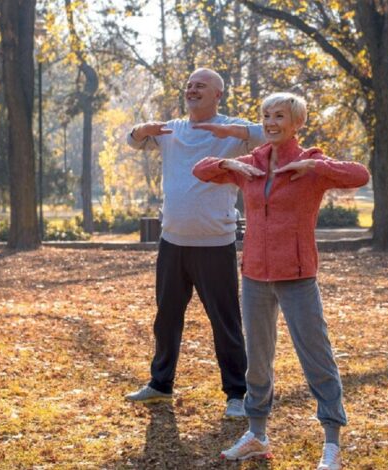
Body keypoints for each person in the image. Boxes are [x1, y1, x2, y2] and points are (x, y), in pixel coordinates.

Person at [193, 92, 370, 469]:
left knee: (317, 358)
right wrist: (229, 163)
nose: (271, 122)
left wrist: (315, 169)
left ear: (296, 123)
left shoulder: (311, 164)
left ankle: (332, 443)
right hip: (255, 275)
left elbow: (359, 174)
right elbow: (202, 170)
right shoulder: (251, 164)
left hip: (297, 276)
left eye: (280, 116)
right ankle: (257, 434)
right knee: (257, 361)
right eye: (267, 115)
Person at [124, 68, 266, 418]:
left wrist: (230, 131)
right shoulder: (173, 129)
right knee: (166, 318)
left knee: (226, 322)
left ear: (218, 94)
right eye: (189, 85)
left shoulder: (234, 129)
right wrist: (142, 130)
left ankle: (237, 394)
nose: (192, 89)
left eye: (200, 85)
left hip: (215, 243)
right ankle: (160, 384)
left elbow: (271, 134)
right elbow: (132, 140)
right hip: (172, 240)